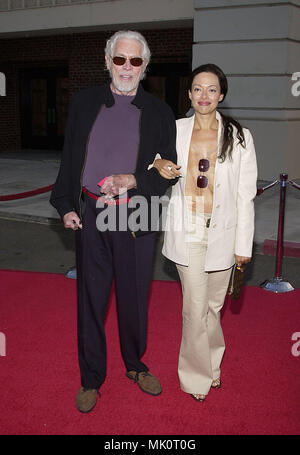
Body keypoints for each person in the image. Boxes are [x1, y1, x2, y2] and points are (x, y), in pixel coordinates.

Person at [50, 30, 177, 413]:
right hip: (92, 212)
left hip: (139, 213)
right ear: (107, 61)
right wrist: (65, 203)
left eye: (135, 61)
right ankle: (91, 378)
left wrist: (134, 178)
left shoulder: (159, 112)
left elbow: (169, 170)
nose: (126, 68)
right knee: (90, 298)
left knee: (135, 299)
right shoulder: (85, 102)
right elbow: (71, 155)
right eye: (119, 59)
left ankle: (136, 366)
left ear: (145, 67)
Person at [154, 63, 257, 402]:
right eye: (198, 88)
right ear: (189, 93)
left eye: (211, 89)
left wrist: (243, 244)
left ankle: (213, 363)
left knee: (212, 307)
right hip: (188, 229)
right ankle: (196, 378)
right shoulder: (176, 128)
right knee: (194, 307)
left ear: (221, 95)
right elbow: (152, 155)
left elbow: (245, 194)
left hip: (224, 233)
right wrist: (158, 164)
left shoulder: (239, 136)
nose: (204, 95)